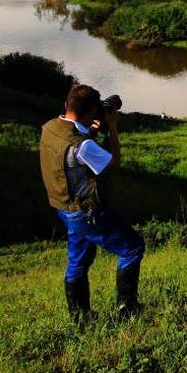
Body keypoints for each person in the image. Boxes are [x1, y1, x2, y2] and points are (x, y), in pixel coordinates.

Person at [39, 84, 145, 323]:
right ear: (91, 112)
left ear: (67, 105)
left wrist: (90, 130)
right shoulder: (82, 145)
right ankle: (126, 310)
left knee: (79, 259)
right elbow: (113, 162)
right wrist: (113, 128)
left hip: (64, 207)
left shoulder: (51, 127)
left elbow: (70, 159)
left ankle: (80, 317)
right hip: (86, 211)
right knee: (132, 248)